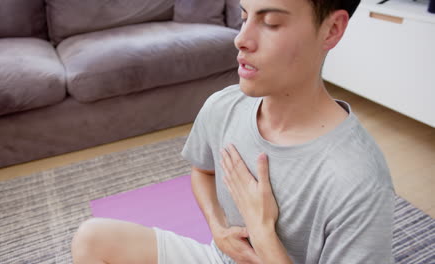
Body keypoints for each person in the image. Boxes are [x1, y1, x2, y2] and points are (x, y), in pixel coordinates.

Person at [71, 0, 395, 263]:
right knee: (92, 239)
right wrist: (219, 227)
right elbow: (202, 170)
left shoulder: (358, 179)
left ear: (331, 29)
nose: (241, 39)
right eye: (244, 17)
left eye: (270, 22)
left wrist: (262, 231)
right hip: (219, 258)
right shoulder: (223, 106)